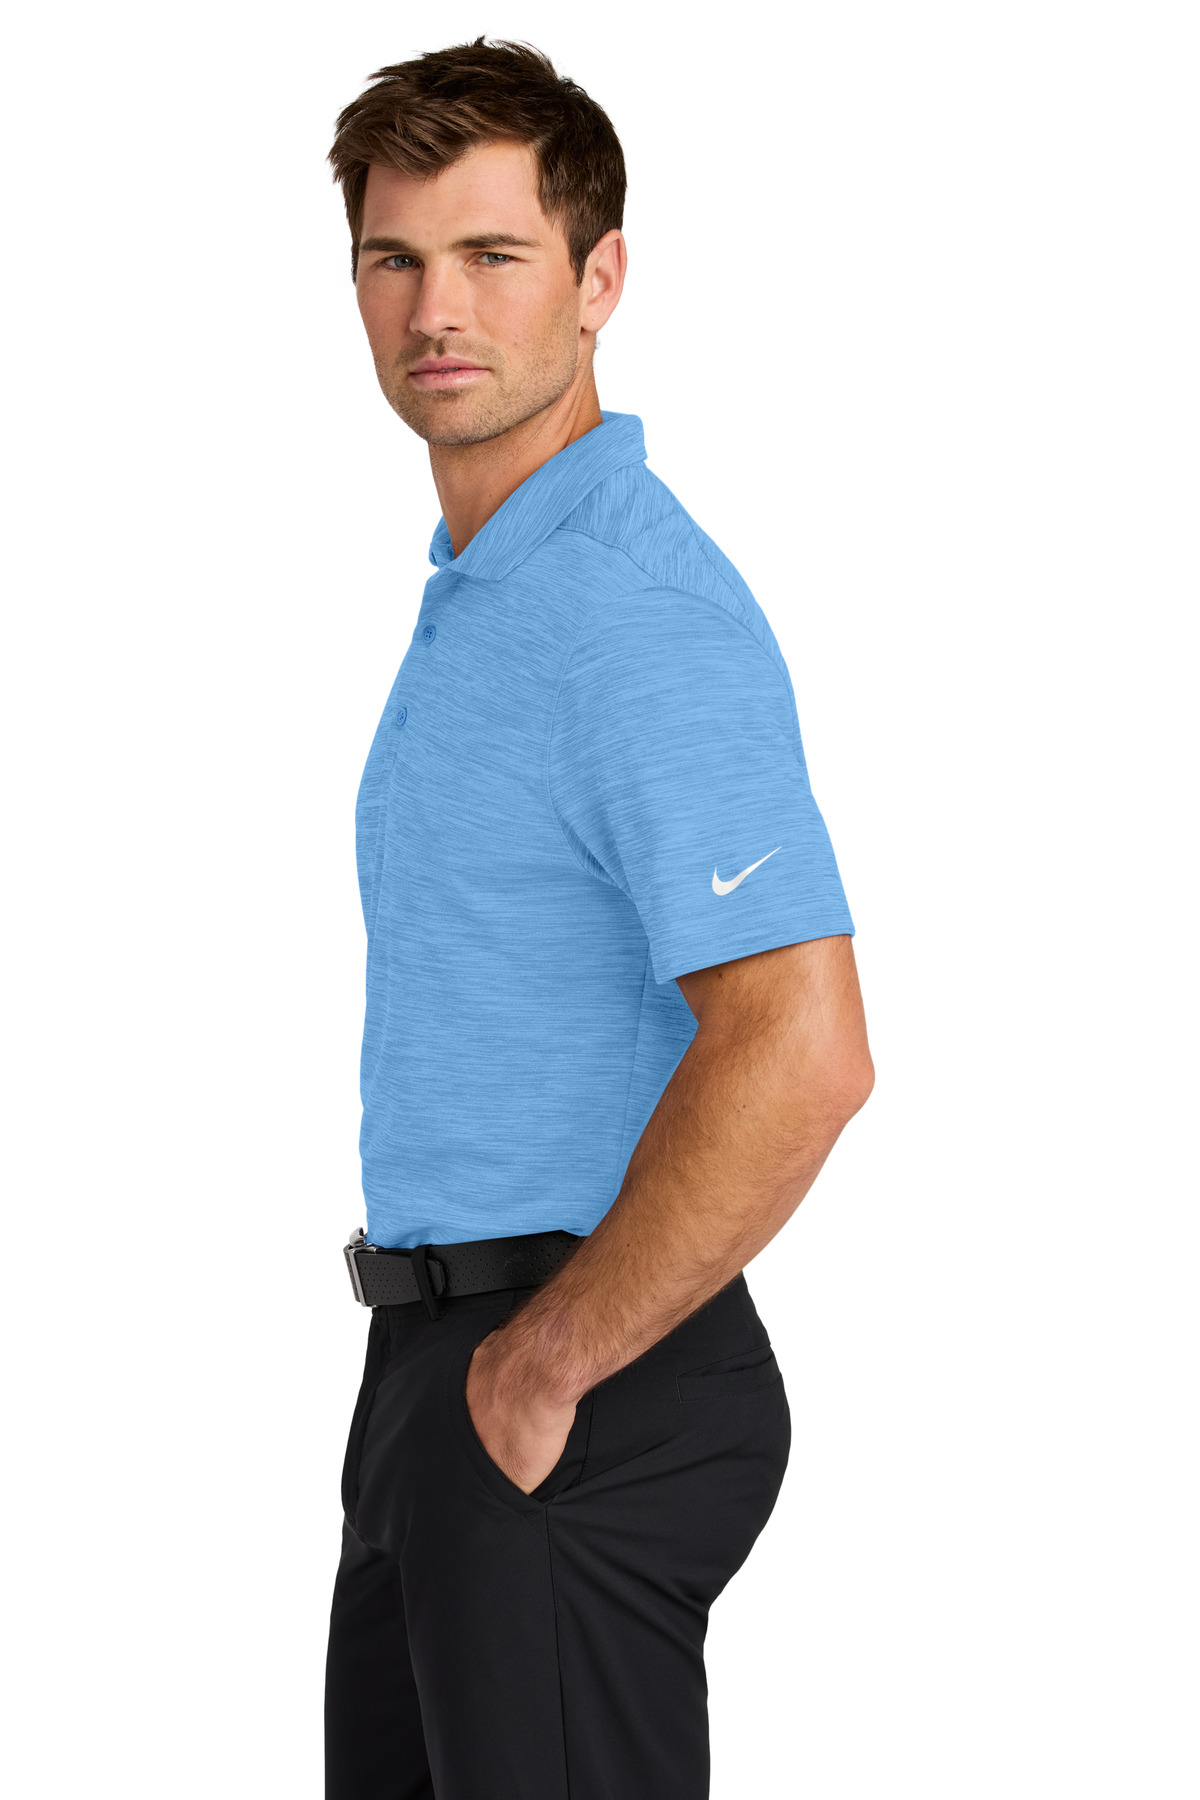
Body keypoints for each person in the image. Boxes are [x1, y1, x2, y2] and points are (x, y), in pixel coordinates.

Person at [324, 38, 873, 1800]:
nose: (435, 309)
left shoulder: (629, 610)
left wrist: (544, 1366)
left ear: (599, 277)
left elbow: (803, 1043)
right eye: (395, 258)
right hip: (441, 1367)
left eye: (491, 255)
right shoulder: (493, 588)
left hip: (578, 1371)